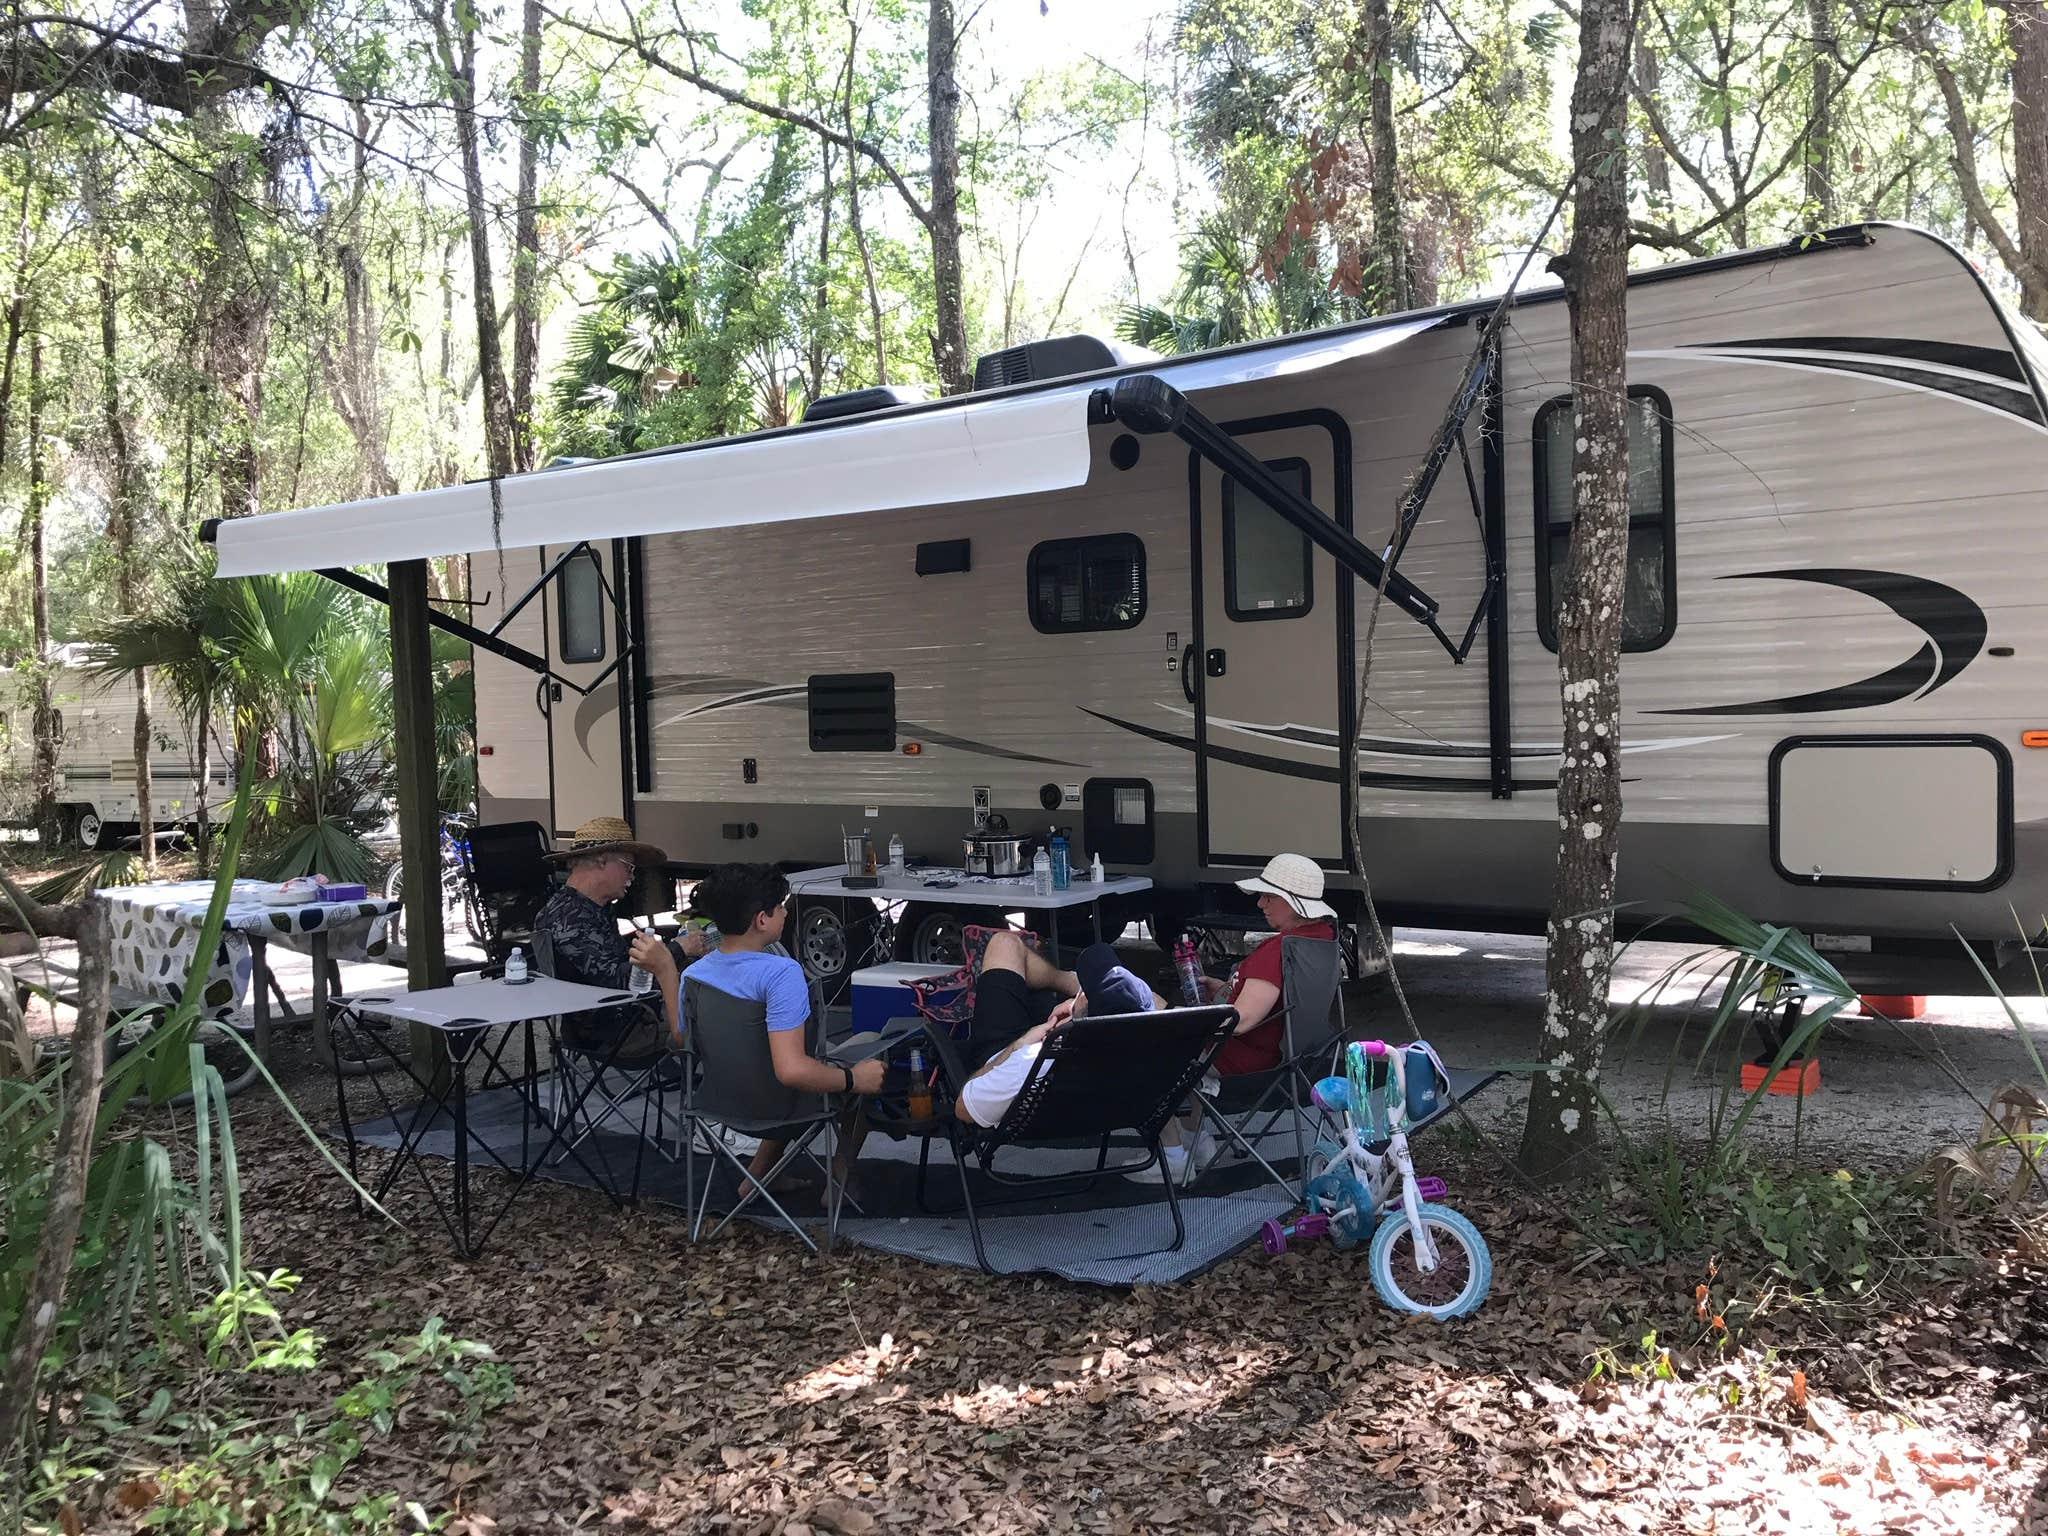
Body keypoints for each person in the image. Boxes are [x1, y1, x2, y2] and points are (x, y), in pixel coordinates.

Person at [631, 862, 884, 1190]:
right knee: (872, 1049)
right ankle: (839, 1176)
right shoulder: (781, 974)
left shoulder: (695, 975)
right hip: (783, 1109)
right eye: (780, 907)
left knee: (774, 1060)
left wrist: (668, 973)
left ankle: (759, 1175)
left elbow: (681, 1041)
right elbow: (792, 1072)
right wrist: (853, 1079)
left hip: (720, 1104)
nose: (785, 913)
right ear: (762, 920)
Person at [534, 815, 710, 1064]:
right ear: (601, 860)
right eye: (628, 866)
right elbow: (618, 981)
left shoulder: (592, 907)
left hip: (624, 1019)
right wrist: (676, 950)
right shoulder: (569, 917)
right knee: (717, 1021)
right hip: (618, 1032)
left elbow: (614, 960)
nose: (632, 876)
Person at [955, 940, 1160, 1129]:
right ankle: (1067, 982)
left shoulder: (1030, 1062)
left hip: (1011, 1058)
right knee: (1035, 993)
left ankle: (1067, 980)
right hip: (1087, 1080)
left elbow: (965, 1110)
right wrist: (1075, 1011)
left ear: (1085, 1004)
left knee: (1005, 944)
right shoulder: (1155, 1048)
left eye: (1084, 992)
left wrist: (1020, 1045)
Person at [1199, 852, 1340, 1076]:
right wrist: (1226, 991)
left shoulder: (1279, 949)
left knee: (1145, 1035)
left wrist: (1173, 1015)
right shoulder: (1323, 938)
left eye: (1269, 896)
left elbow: (1239, 1021)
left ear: (1295, 904)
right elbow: (1287, 995)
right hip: (1305, 1059)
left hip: (1248, 1061)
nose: (1260, 902)